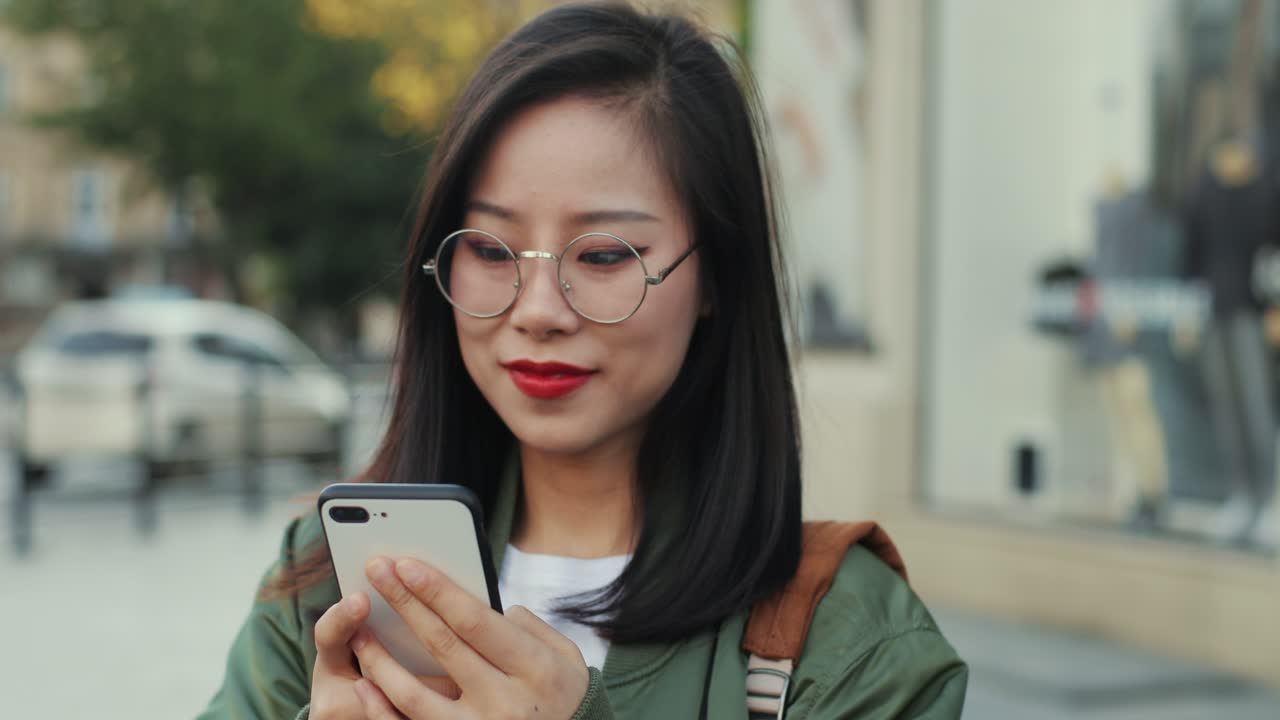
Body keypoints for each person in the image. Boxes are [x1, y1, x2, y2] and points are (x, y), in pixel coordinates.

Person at [199, 3, 967, 718]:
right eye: (492, 249)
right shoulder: (326, 583)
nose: (538, 309)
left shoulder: (853, 643)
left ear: (715, 277)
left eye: (603, 254)